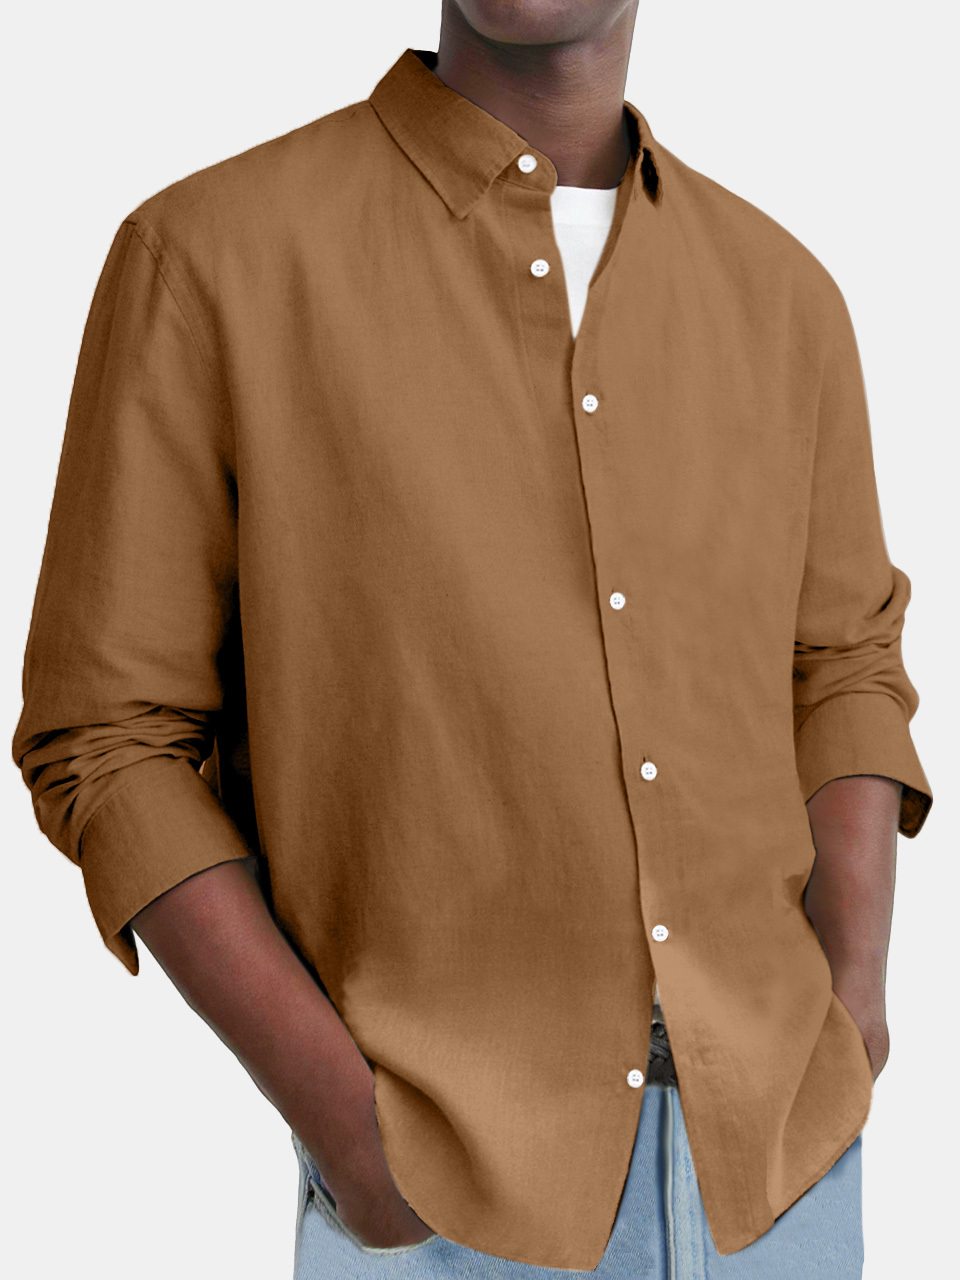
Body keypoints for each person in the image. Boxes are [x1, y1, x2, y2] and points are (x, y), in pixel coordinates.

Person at [11, 2, 933, 1277]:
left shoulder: (786, 296)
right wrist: (348, 1126)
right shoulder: (211, 257)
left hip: (781, 1174)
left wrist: (855, 1000)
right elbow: (106, 737)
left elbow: (842, 662)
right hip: (444, 1194)